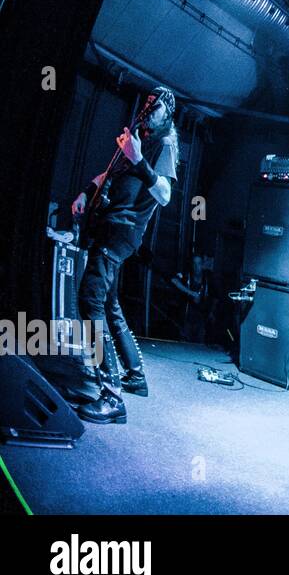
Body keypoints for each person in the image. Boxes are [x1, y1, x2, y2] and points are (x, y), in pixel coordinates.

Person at [70, 86, 179, 423]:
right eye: (147, 103)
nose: (150, 108)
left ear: (167, 112)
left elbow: (165, 194)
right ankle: (135, 376)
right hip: (109, 224)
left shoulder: (165, 144)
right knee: (109, 303)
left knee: (90, 297)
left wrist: (139, 159)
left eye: (156, 105)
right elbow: (111, 174)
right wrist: (88, 191)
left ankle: (111, 394)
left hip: (123, 231)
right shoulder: (138, 136)